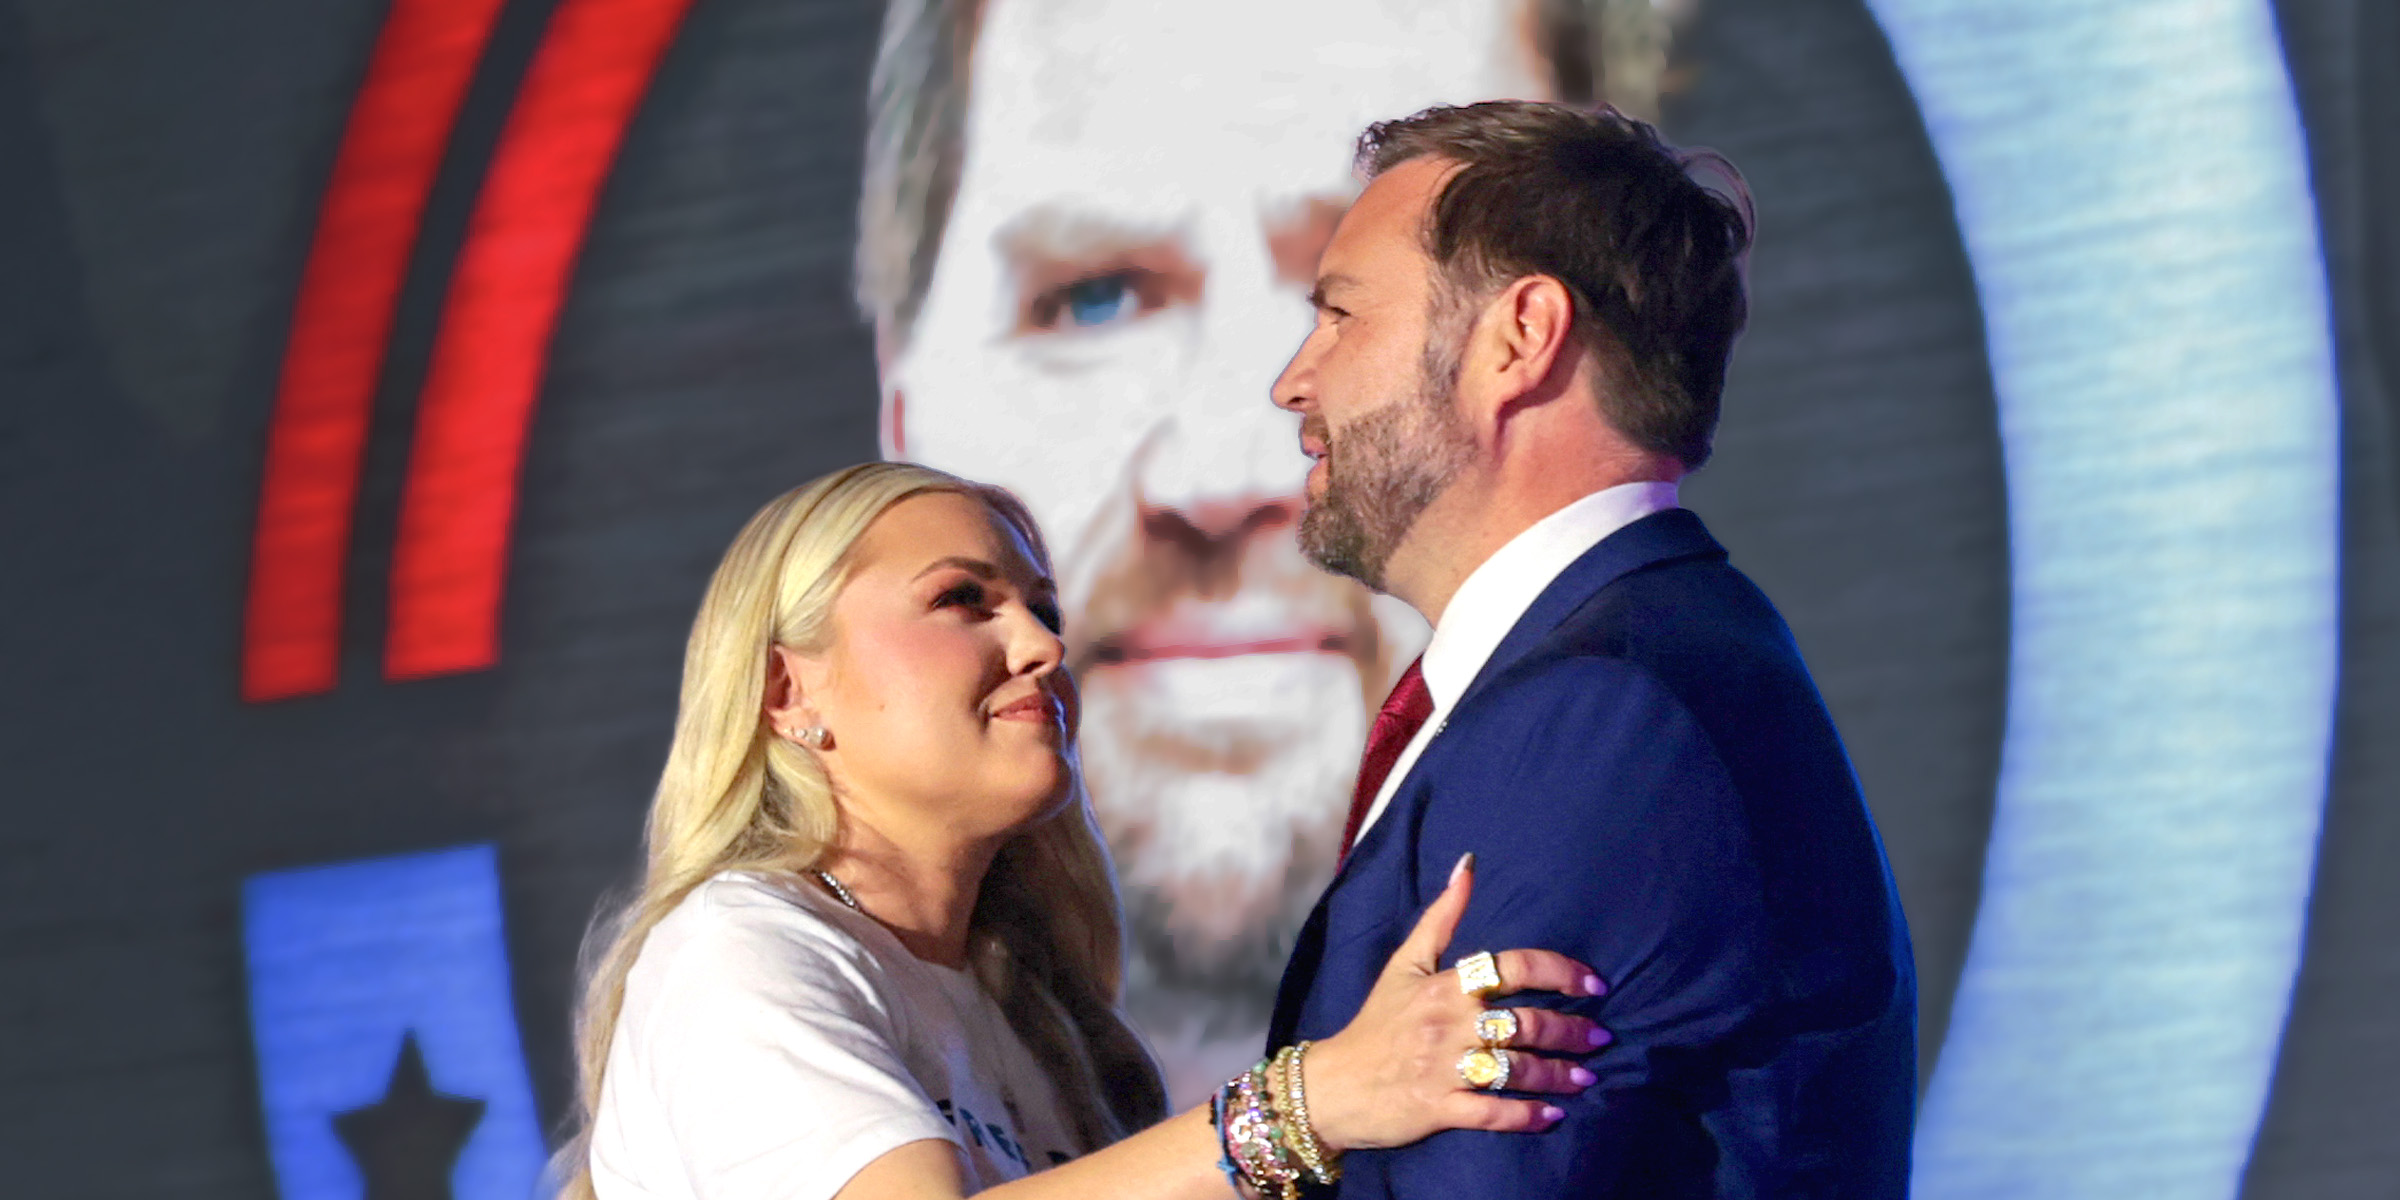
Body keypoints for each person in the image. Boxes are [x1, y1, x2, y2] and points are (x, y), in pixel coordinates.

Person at [854, 0, 1682, 1096]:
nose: (1219, 474)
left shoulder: (1670, 772)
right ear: (904, 408)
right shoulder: (768, 991)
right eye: (1095, 299)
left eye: (1356, 309)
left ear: (1552, 345)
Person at [553, 462, 1613, 1200]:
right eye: (964, 601)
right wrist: (1317, 1098)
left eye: (1042, 609)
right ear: (788, 690)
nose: (1042, 647)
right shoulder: (737, 949)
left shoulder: (1035, 1013)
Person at [1266, 102, 1917, 1195]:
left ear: (1518, 338)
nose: (1296, 378)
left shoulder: (1596, 718)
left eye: (1340, 313)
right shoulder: (1634, 663)